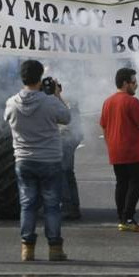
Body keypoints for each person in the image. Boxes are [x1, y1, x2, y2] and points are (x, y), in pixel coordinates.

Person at [5, 60, 71, 261]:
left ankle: (27, 248)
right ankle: (55, 248)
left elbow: (6, 118)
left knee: (27, 204)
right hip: (50, 159)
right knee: (52, 205)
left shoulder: (11, 102)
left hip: (23, 159)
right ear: (40, 77)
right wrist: (57, 95)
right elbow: (66, 118)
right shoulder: (49, 102)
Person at [100, 67, 139, 232]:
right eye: (134, 82)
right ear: (125, 83)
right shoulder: (132, 102)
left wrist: (110, 143)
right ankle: (128, 217)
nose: (136, 85)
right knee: (137, 183)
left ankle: (122, 218)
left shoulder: (108, 101)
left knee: (122, 183)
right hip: (133, 151)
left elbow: (103, 126)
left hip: (116, 151)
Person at [59, 91, 83, 221]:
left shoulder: (66, 93)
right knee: (67, 172)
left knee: (63, 171)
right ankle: (73, 207)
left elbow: (68, 115)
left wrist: (57, 96)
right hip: (67, 135)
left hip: (66, 135)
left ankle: (67, 207)